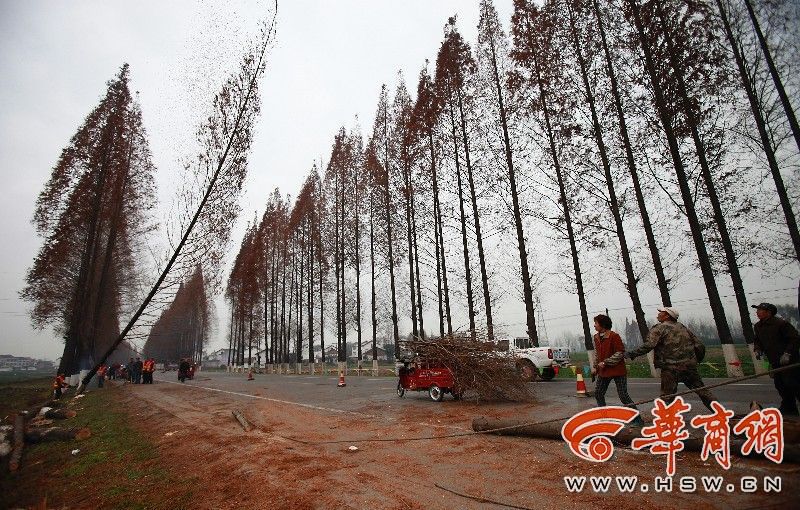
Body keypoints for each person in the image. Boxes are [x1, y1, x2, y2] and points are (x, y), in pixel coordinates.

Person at [627, 306, 717, 411]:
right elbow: (699, 345)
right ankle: (722, 413)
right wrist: (696, 360)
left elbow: (649, 345)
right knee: (703, 392)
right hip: (689, 367)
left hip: (670, 369)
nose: (658, 314)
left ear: (667, 316)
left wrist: (632, 354)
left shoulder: (659, 328)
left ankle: (665, 421)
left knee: (667, 397)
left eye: (661, 312)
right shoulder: (682, 327)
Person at [591, 314, 644, 425]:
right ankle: (604, 417)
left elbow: (620, 353)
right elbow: (596, 354)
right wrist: (595, 367)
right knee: (598, 393)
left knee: (623, 396)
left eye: (596, 323)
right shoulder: (596, 337)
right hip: (603, 371)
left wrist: (606, 362)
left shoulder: (614, 336)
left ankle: (637, 419)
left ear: (603, 325)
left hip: (617, 371)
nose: (594, 325)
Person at [752, 302, 800, 416]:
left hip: (789, 361)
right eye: (757, 310)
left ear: (769, 312)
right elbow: (757, 340)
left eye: (760, 310)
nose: (757, 312)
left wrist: (787, 353)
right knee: (780, 385)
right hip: (775, 361)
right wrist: (758, 349)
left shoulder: (781, 324)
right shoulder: (758, 326)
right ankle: (789, 407)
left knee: (793, 384)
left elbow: (795, 339)